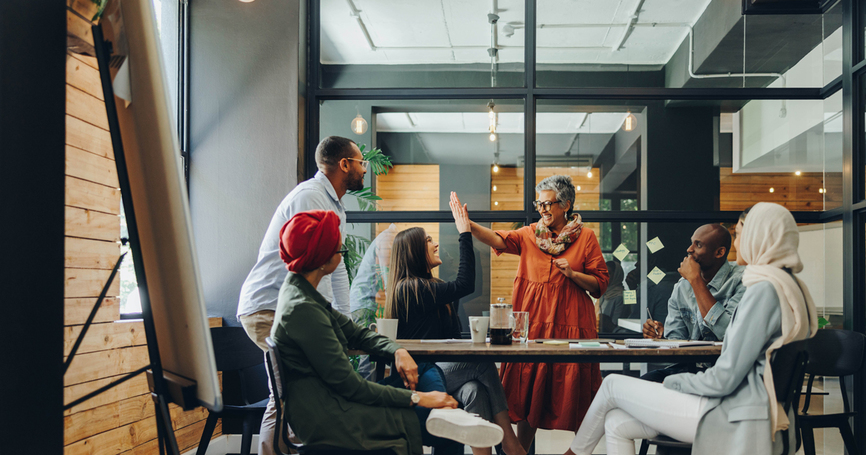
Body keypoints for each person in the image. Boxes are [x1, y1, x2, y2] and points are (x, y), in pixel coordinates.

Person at [565, 202, 817, 455]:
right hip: (746, 405)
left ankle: (572, 454)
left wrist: (672, 383)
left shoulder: (763, 290)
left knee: (611, 385)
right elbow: (686, 342)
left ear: (759, 237)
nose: (737, 244)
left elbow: (725, 378)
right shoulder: (791, 287)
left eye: (740, 235)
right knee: (616, 423)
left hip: (734, 410)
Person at [272, 210, 503, 455]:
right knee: (436, 419)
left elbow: (359, 335)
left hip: (335, 400)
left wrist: (398, 349)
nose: (342, 254)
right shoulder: (304, 310)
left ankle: (446, 417)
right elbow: (353, 387)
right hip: (330, 415)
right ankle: (446, 417)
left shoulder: (305, 296)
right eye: (339, 250)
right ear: (321, 258)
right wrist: (419, 399)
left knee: (427, 370)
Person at [453, 174, 610, 450]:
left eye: (548, 204)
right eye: (540, 204)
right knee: (530, 392)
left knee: (573, 393)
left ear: (566, 204)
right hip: (533, 326)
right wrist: (468, 227)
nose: (543, 209)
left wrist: (573, 274)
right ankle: (520, 451)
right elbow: (499, 240)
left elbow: (600, 285)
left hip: (570, 325)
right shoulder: (529, 234)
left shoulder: (585, 237)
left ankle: (574, 450)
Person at [236, 136, 366, 455]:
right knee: (286, 391)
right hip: (269, 308)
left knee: (300, 388)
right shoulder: (311, 197)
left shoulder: (334, 204)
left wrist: (344, 323)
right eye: (362, 162)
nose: (366, 169)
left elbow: (335, 269)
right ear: (344, 164)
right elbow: (308, 270)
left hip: (286, 309)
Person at [384, 195, 527, 455]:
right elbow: (465, 284)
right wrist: (464, 233)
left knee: (474, 391)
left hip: (441, 369)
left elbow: (465, 286)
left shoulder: (432, 288)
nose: (436, 244)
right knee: (481, 361)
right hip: (421, 377)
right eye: (429, 241)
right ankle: (509, 441)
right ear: (415, 252)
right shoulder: (410, 288)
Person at [640, 223, 746, 383]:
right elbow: (676, 341)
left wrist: (696, 281)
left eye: (698, 245)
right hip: (687, 370)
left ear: (719, 252)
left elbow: (727, 333)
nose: (689, 249)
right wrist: (661, 337)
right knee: (640, 383)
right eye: (691, 242)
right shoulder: (682, 286)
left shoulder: (741, 280)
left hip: (725, 373)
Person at [597, 261, 634, 334]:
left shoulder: (620, 297)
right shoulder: (603, 293)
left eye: (609, 273)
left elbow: (615, 325)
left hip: (614, 337)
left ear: (616, 275)